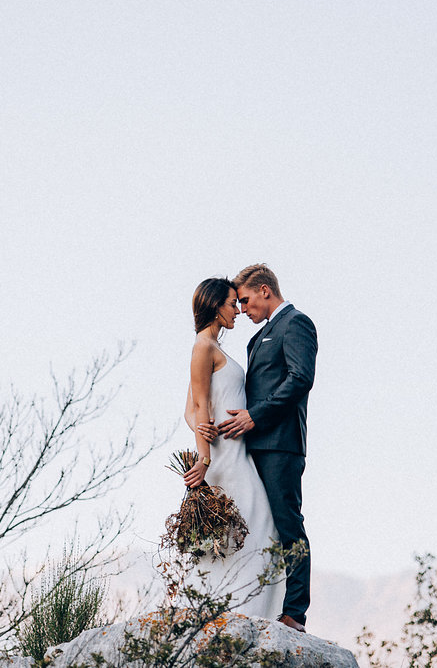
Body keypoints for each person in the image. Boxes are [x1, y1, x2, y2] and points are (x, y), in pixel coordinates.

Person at [216, 263, 317, 634]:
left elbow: (300, 378)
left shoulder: (296, 324)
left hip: (280, 446)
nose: (243, 310)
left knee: (289, 524)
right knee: (263, 527)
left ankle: (295, 613)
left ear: (264, 290)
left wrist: (254, 417)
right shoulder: (258, 338)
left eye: (245, 301)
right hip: (253, 447)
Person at [181, 277, 284, 619]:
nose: (237, 311)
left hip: (235, 452)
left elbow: (190, 411)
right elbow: (197, 408)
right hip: (225, 460)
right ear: (213, 306)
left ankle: (246, 615)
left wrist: (204, 426)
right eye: (230, 303)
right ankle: (244, 616)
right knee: (260, 529)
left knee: (255, 531)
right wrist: (206, 457)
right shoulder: (202, 347)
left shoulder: (213, 348)